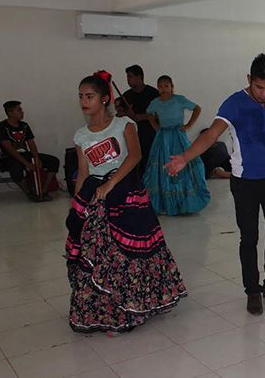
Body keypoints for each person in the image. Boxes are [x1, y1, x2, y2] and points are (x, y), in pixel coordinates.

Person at [166, 54, 265, 315]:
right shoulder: (234, 104)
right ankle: (252, 290)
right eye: (259, 87)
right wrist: (185, 158)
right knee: (249, 237)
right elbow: (211, 134)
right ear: (249, 80)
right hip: (245, 181)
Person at [65, 70, 187, 333]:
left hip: (126, 194)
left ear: (104, 99)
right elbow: (84, 172)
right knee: (97, 253)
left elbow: (134, 156)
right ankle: (101, 310)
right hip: (96, 196)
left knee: (131, 253)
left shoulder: (123, 125)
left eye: (90, 96)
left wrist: (111, 183)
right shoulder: (81, 136)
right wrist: (77, 206)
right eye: (80, 97)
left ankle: (132, 306)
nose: (84, 101)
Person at [144, 75, 210, 215]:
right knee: (162, 166)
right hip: (162, 138)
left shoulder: (179, 99)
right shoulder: (155, 102)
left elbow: (197, 108)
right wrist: (155, 125)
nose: (164, 89)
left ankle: (184, 202)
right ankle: (165, 203)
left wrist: (189, 125)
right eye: (160, 86)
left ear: (172, 87)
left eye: (166, 86)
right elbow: (149, 113)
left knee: (185, 162)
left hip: (178, 135)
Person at [0, 101, 60, 201]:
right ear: (10, 112)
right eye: (19, 110)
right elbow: (10, 149)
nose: (22, 112)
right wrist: (26, 163)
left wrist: (36, 158)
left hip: (25, 154)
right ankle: (29, 193)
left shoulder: (24, 126)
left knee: (53, 161)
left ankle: (44, 191)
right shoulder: (2, 127)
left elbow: (31, 144)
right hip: (9, 157)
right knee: (16, 169)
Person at [122, 65, 159, 176]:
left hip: (150, 135)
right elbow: (121, 116)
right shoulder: (126, 96)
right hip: (132, 136)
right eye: (127, 77)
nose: (128, 80)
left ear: (139, 77)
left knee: (150, 162)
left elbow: (159, 113)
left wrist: (140, 117)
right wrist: (125, 114)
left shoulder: (153, 93)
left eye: (130, 77)